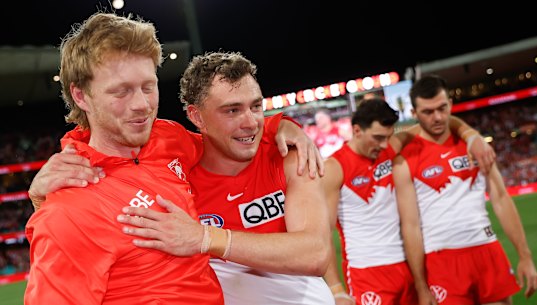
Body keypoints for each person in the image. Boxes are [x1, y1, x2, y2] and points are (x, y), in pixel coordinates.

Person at [24, 13, 322, 305]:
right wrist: (42, 204)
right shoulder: (68, 210)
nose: (141, 105)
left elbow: (220, 140)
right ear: (81, 96)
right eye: (121, 92)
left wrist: (277, 125)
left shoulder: (168, 138)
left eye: (147, 86)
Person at [322, 98, 497, 305]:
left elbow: (443, 122)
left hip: (409, 267)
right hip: (367, 273)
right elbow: (323, 235)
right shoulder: (334, 168)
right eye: (377, 138)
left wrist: (471, 135)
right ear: (357, 131)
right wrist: (336, 289)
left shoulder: (388, 149)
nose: (384, 144)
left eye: (388, 137)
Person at [392, 74, 537, 305]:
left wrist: (525, 256)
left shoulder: (477, 147)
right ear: (414, 114)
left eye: (442, 108)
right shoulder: (405, 160)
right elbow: (410, 226)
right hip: (442, 260)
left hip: (486, 250)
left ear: (450, 104)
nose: (438, 118)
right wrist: (421, 285)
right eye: (427, 112)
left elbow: (501, 199)